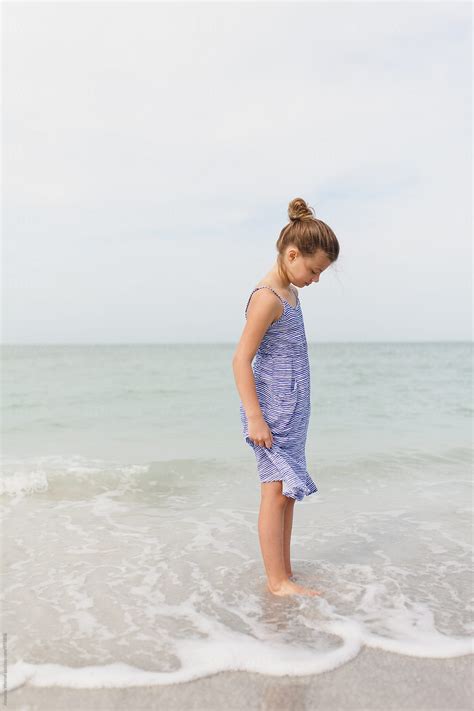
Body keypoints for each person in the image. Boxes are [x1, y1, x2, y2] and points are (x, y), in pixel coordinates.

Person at [232, 197, 340, 597]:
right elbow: (241, 360)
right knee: (274, 495)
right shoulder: (267, 298)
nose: (315, 278)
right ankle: (276, 582)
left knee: (287, 495)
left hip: (292, 412)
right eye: (313, 270)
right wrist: (255, 418)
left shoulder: (291, 293)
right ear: (292, 254)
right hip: (271, 414)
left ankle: (285, 573)